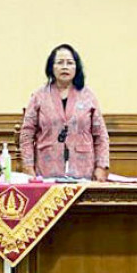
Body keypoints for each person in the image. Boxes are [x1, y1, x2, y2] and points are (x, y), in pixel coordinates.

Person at [19, 44, 110, 181]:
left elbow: (101, 135)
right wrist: (28, 166)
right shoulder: (39, 96)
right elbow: (26, 134)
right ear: (51, 67)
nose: (65, 67)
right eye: (60, 62)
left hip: (83, 171)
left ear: (76, 68)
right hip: (46, 170)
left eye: (70, 63)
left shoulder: (88, 96)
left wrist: (101, 166)